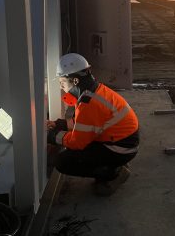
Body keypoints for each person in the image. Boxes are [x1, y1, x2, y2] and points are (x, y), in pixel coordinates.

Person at [47, 53, 139, 196]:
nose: (61, 87)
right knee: (74, 148)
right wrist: (57, 124)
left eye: (62, 83)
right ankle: (114, 163)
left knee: (62, 161)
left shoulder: (88, 103)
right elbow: (82, 124)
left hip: (120, 148)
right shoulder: (94, 91)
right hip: (123, 143)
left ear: (75, 81)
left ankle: (113, 173)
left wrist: (51, 136)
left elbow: (77, 142)